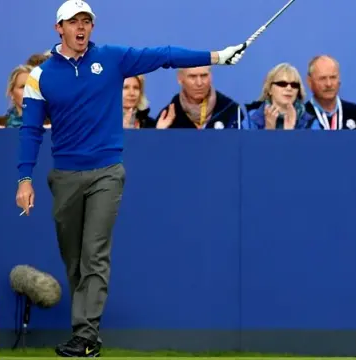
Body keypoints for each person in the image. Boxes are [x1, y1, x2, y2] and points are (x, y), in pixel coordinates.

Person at [14, 0, 246, 357]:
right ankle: (86, 331)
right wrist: (24, 179)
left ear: (92, 27)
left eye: (86, 21)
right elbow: (30, 130)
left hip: (107, 171)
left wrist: (217, 56)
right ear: (58, 28)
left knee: (94, 254)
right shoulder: (40, 76)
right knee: (73, 258)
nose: (81, 27)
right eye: (73, 22)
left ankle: (86, 335)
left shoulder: (112, 58)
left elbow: (164, 55)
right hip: (64, 176)